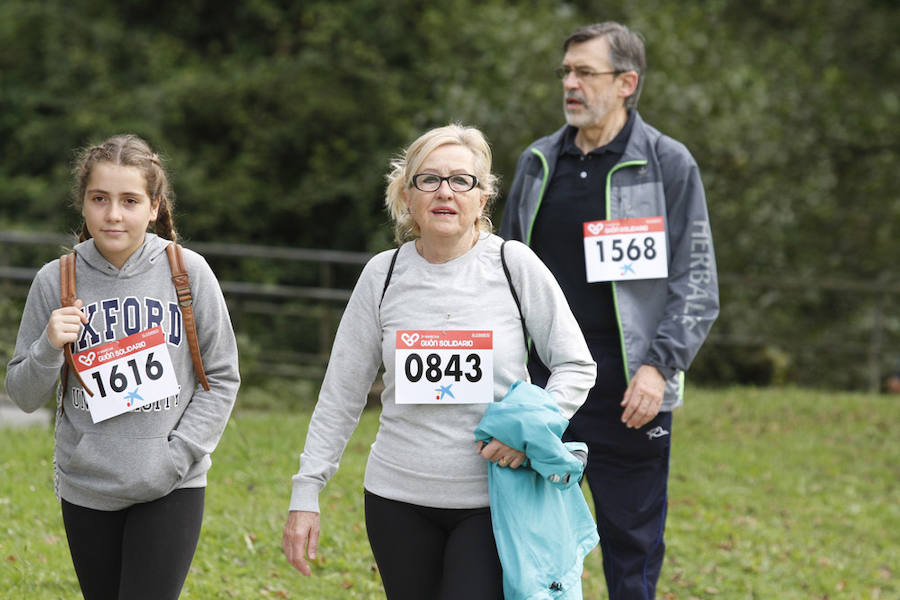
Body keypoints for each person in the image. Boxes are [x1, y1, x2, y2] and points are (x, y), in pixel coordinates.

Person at [282, 124, 597, 599]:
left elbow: (577, 365)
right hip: (396, 500)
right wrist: (307, 490)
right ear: (407, 196)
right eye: (429, 180)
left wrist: (530, 430)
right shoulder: (382, 275)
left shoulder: (514, 265)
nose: (445, 192)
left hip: (493, 500)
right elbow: (341, 394)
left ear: (483, 196)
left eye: (462, 180)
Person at [500, 22, 719, 600]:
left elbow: (696, 281)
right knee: (527, 544)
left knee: (633, 548)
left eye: (584, 73)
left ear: (627, 82)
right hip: (545, 389)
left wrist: (659, 367)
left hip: (632, 392)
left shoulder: (668, 164)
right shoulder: (536, 163)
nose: (570, 83)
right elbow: (501, 276)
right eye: (565, 72)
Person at [5, 134, 241, 600]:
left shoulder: (188, 272)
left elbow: (222, 377)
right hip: (88, 484)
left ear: (154, 207)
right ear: (84, 204)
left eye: (129, 201)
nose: (113, 215)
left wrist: (177, 455)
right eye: (100, 199)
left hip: (171, 484)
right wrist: (50, 344)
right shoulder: (55, 280)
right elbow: (23, 394)